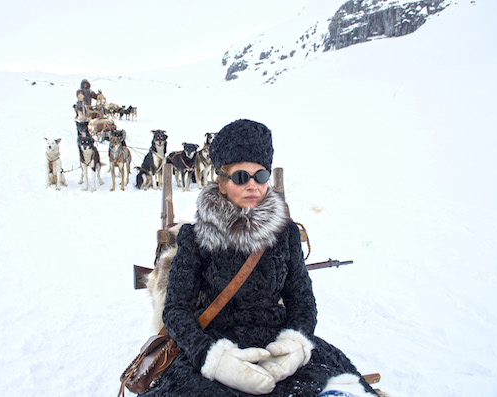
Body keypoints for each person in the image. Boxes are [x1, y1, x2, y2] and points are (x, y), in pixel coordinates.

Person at [140, 119, 377, 397]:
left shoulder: (285, 234)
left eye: (261, 176)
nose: (253, 185)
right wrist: (213, 359)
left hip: (276, 346)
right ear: (223, 183)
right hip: (218, 346)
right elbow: (176, 310)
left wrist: (295, 345)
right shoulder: (196, 237)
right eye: (241, 177)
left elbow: (301, 300)